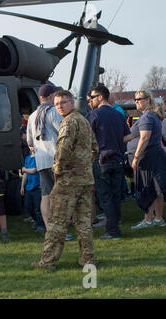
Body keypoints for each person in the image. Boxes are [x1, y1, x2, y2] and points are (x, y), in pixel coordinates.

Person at [32, 90, 98, 270]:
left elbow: (62, 151)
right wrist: (84, 165)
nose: (60, 106)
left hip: (68, 180)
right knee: (84, 223)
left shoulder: (69, 122)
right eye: (57, 103)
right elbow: (94, 148)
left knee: (56, 222)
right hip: (85, 180)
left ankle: (47, 262)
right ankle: (88, 259)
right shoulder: (83, 120)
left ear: (72, 102)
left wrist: (57, 171)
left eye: (64, 102)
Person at [86, 85, 132, 240]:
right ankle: (114, 227)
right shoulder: (119, 114)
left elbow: (87, 138)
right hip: (118, 160)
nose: (90, 101)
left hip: (101, 160)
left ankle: (113, 231)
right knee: (115, 196)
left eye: (92, 97)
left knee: (105, 197)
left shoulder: (94, 114)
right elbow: (128, 136)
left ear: (100, 97)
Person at [26, 84, 62, 231]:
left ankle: (50, 229)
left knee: (46, 195)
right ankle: (60, 229)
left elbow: (29, 142)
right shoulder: (53, 111)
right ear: (52, 96)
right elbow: (63, 132)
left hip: (41, 160)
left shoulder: (32, 116)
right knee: (59, 195)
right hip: (55, 158)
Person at [130, 90, 166, 229]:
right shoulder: (153, 115)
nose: (136, 101)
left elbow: (144, 138)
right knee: (157, 189)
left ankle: (148, 220)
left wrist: (136, 157)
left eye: (140, 99)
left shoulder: (147, 116)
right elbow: (132, 135)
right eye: (135, 99)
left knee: (147, 189)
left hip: (149, 157)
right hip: (155, 156)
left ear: (148, 100)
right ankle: (158, 219)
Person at [20, 147, 45, 232]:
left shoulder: (38, 157)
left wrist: (25, 169)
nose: (32, 147)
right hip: (28, 187)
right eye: (30, 146)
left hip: (37, 187)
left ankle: (41, 225)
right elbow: (25, 175)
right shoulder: (27, 158)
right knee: (28, 207)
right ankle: (36, 221)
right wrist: (22, 187)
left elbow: (34, 170)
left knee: (38, 208)